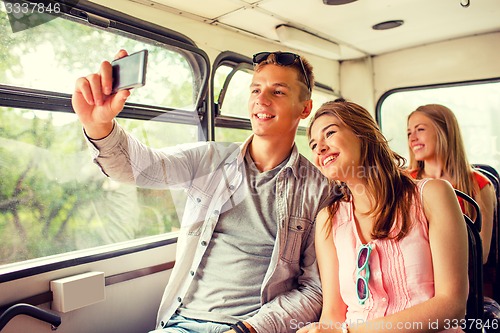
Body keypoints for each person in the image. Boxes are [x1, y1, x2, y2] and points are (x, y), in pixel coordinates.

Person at [71, 50, 331, 333]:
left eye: (278, 92)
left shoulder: (319, 190)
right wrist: (99, 125)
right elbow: (140, 167)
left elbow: (314, 289)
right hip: (180, 325)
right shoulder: (209, 160)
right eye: (256, 89)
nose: (261, 99)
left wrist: (250, 330)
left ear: (304, 109)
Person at [299, 99, 468, 333]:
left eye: (330, 133)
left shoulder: (433, 195)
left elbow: (452, 306)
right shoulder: (328, 219)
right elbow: (333, 314)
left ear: (363, 134)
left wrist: (349, 332)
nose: (320, 148)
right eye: (314, 145)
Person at [407, 104, 496, 264]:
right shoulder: (405, 181)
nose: (412, 138)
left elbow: (481, 254)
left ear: (444, 131)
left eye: (420, 130)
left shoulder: (479, 184)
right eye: (409, 133)